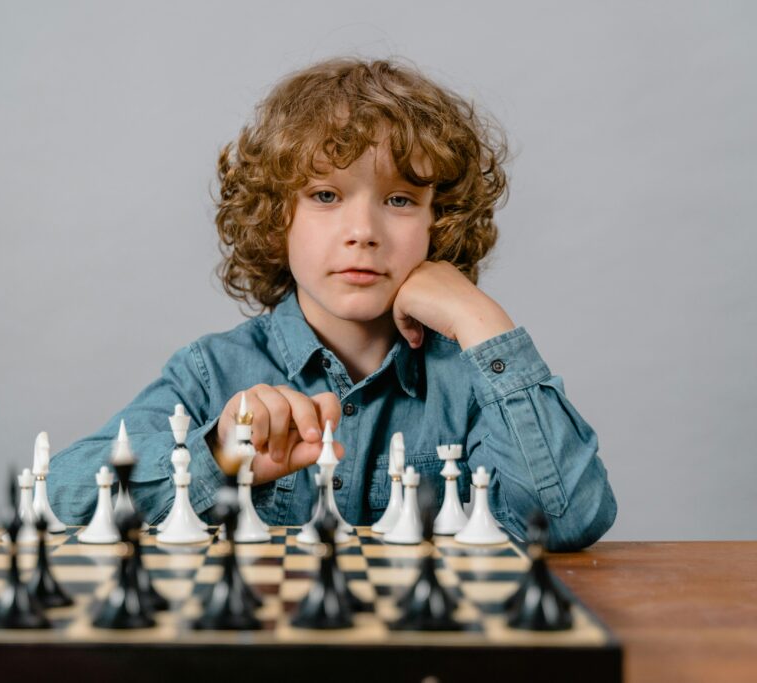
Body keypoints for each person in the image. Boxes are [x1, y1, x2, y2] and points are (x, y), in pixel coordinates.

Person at [47, 57, 617, 551]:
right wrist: (218, 452)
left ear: (438, 225)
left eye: (399, 199)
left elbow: (566, 520)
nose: (362, 231)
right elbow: (65, 491)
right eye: (325, 195)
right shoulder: (211, 373)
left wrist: (480, 319)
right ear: (277, 220)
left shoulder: (468, 384)